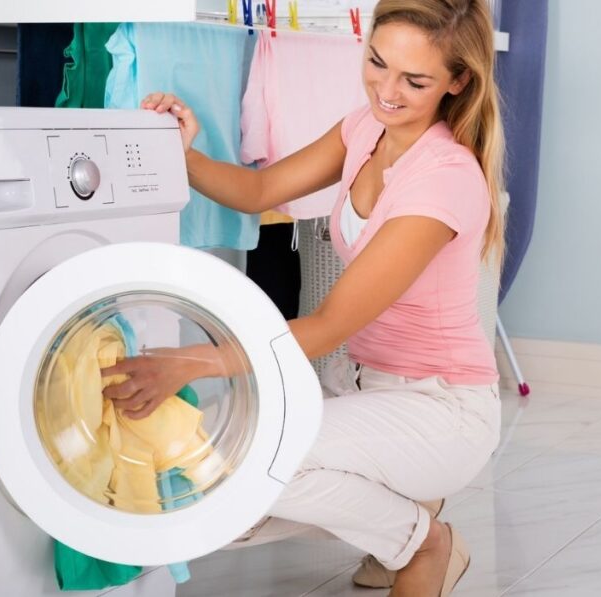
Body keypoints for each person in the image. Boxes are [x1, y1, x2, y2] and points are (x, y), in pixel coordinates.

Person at [102, 0, 505, 594]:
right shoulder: (367, 128)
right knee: (211, 485)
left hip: (439, 408)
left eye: (414, 81)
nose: (386, 91)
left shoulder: (443, 178)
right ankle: (403, 508)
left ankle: (422, 543)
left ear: (457, 81)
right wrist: (182, 152)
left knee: (261, 459)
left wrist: (186, 362)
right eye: (376, 63)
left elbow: (328, 324)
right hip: (361, 384)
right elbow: (259, 189)